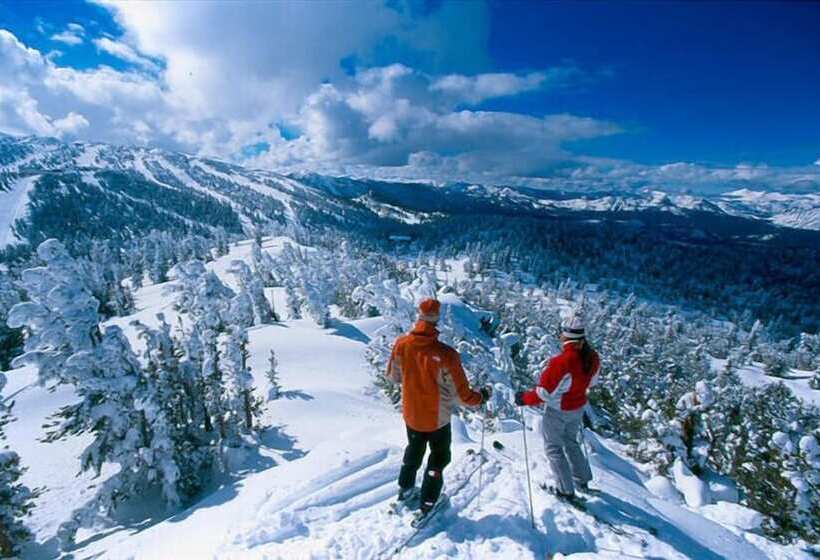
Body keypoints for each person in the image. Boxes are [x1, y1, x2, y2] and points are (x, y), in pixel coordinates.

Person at [387, 298, 491, 515]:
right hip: (437, 418)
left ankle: (405, 490)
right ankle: (428, 504)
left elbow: (393, 376)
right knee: (439, 457)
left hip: (412, 414)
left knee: (414, 450)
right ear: (437, 318)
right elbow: (463, 396)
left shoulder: (401, 344)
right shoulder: (446, 354)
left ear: (419, 315)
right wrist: (481, 397)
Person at [515, 309, 600, 500]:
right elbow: (592, 382)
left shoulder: (561, 362)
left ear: (566, 335)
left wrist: (523, 398)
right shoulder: (592, 357)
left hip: (558, 410)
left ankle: (565, 490)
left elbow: (543, 393)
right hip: (577, 409)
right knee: (571, 442)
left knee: (554, 448)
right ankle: (582, 479)